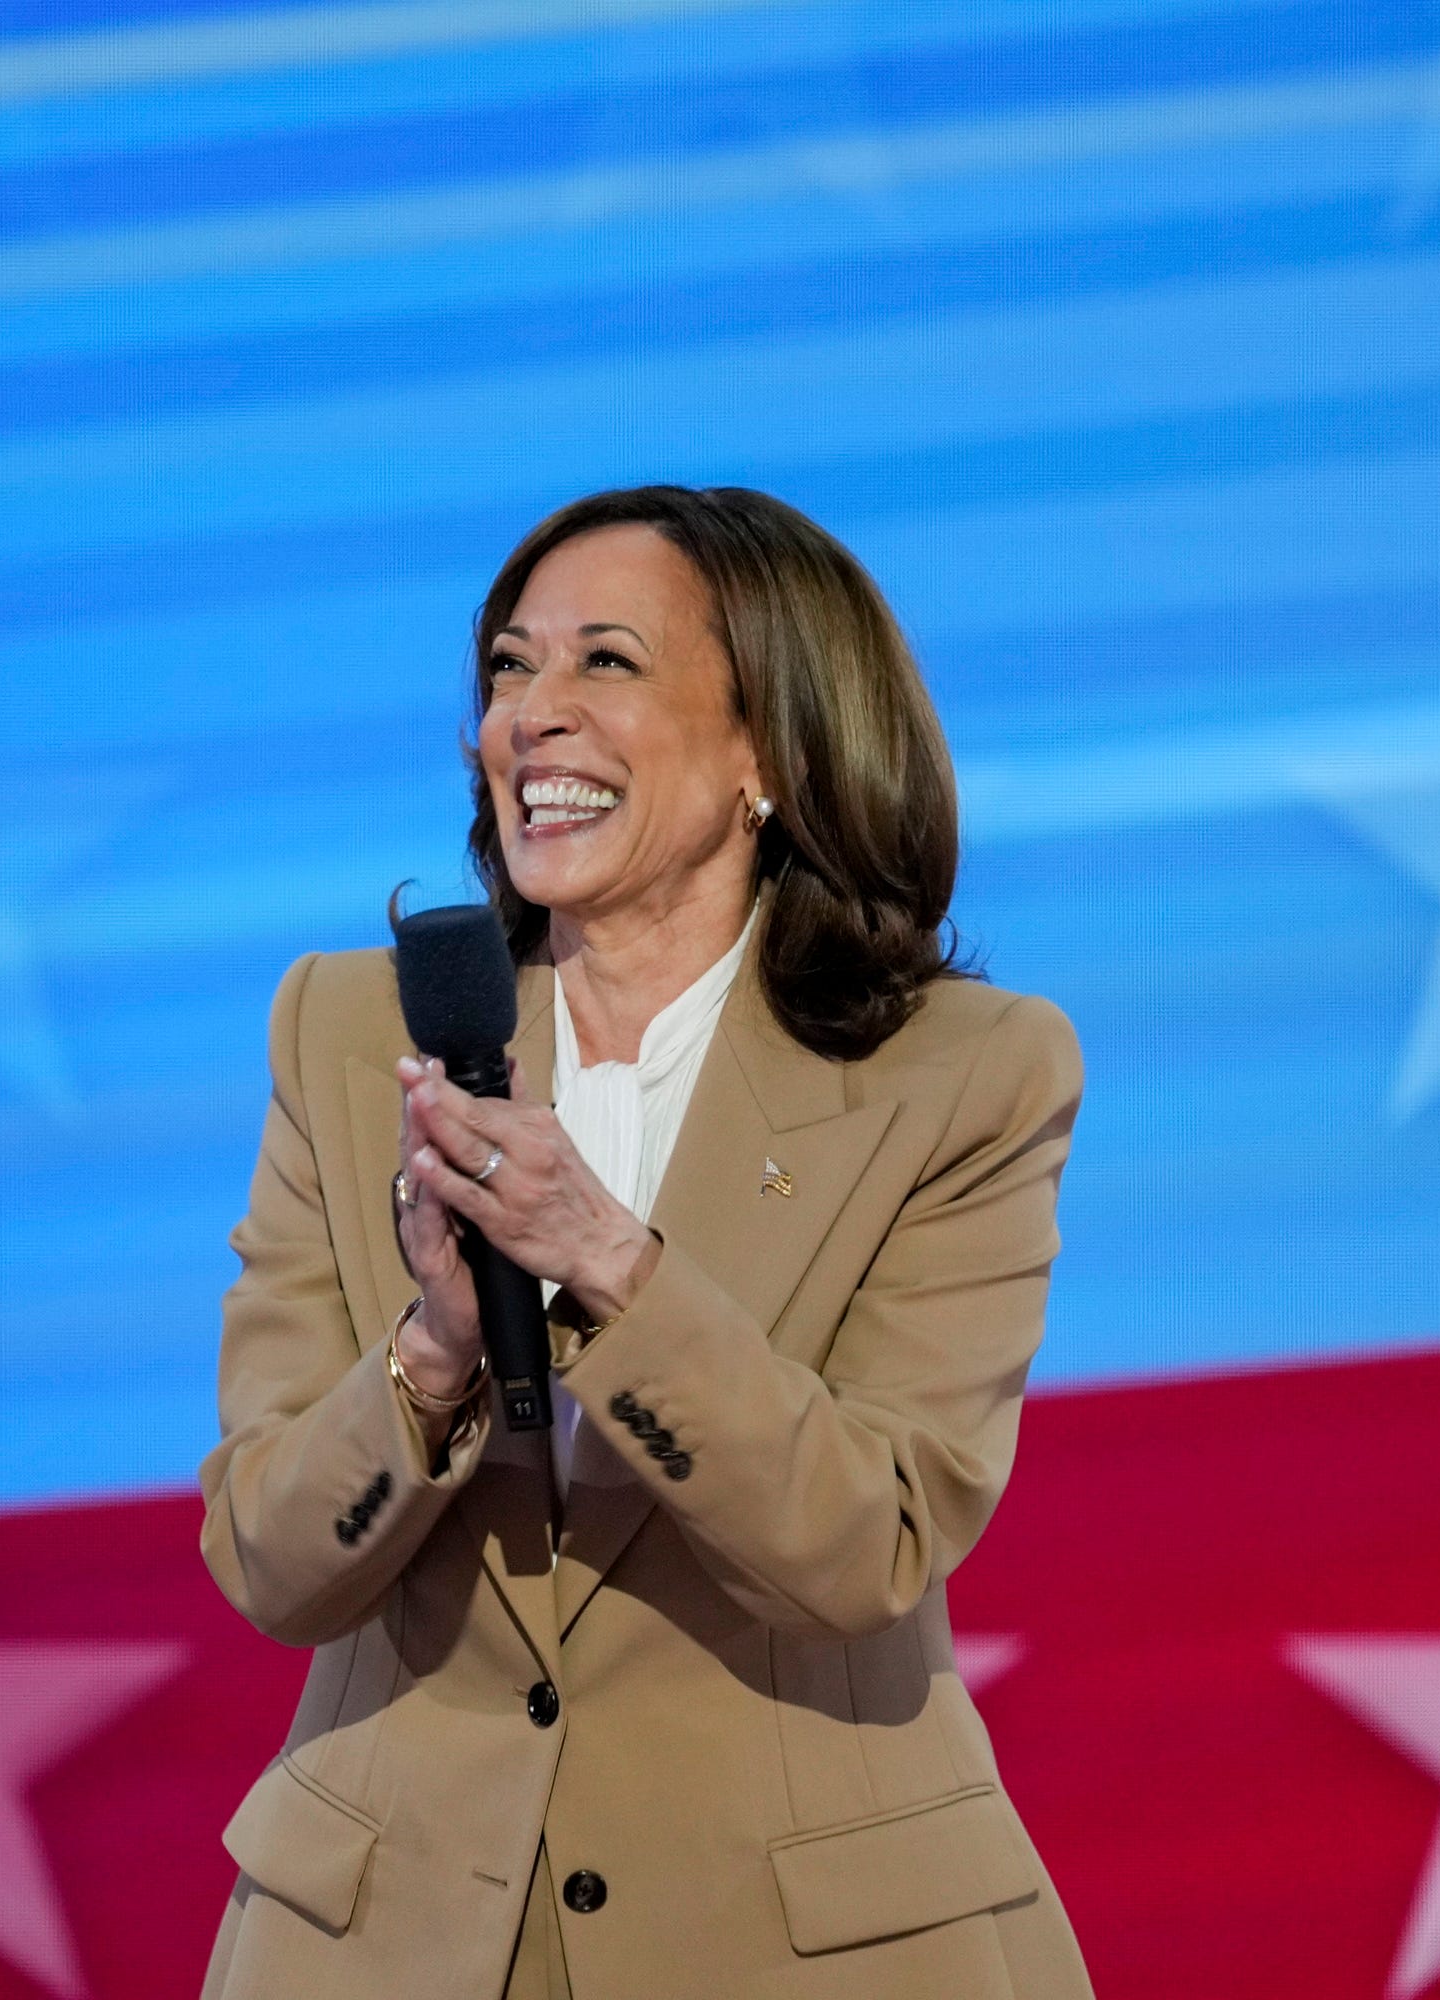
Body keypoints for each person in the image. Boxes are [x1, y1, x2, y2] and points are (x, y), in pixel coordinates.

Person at [197, 486, 1090, 2000]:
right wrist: (432, 1355)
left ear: (766, 747)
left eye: (604, 664)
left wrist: (605, 1262)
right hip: (394, 1942)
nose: (531, 719)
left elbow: (864, 1542)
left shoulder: (966, 1072)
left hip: (810, 1949)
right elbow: (270, 1562)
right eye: (505, 671)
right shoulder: (351, 1038)